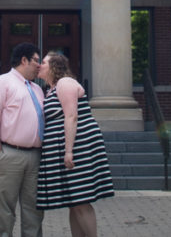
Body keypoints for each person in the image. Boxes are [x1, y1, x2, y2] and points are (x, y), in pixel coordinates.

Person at [35, 52, 114, 237]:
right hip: (65, 146)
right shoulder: (51, 89)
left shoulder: (65, 83)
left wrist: (69, 152)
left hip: (79, 146)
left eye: (43, 62)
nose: (39, 65)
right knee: (74, 201)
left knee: (81, 200)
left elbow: (71, 116)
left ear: (54, 66)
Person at [0, 42, 45, 237]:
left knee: (34, 210)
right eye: (36, 61)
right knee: (5, 210)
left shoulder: (37, 89)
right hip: (9, 154)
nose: (39, 66)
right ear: (23, 60)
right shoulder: (1, 83)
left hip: (35, 156)